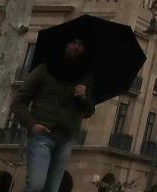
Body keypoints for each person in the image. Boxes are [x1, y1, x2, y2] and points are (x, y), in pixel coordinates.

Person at [11, 38, 96, 192]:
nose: (76, 47)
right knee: (36, 186)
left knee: (51, 189)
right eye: (73, 42)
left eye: (81, 44)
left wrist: (84, 98)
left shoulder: (85, 77)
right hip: (42, 136)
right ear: (64, 44)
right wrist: (32, 125)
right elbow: (18, 102)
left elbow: (89, 111)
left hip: (66, 139)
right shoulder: (44, 69)